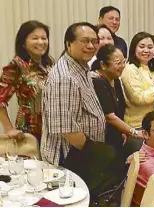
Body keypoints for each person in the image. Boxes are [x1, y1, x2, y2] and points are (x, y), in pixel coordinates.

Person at [42, 22, 121, 195]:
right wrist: (98, 153)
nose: (91, 46)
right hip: (70, 156)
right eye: (85, 41)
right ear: (68, 44)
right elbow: (66, 130)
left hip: (82, 152)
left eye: (94, 41)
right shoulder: (65, 78)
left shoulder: (81, 67)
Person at [0, 20, 53, 140]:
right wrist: (9, 129)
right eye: (35, 38)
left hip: (53, 130)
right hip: (30, 132)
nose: (41, 42)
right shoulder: (17, 66)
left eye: (44, 38)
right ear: (23, 43)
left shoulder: (49, 64)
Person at [91, 44, 145, 156]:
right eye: (118, 63)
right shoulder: (98, 82)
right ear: (103, 65)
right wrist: (133, 132)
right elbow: (109, 117)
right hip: (103, 138)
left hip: (116, 136)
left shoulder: (116, 80)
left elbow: (119, 108)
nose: (122, 66)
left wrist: (123, 131)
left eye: (123, 62)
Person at [120, 32, 154, 128]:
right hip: (137, 125)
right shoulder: (130, 69)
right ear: (134, 48)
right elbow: (139, 98)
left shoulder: (149, 67)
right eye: (142, 47)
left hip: (152, 122)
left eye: (150, 47)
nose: (146, 50)